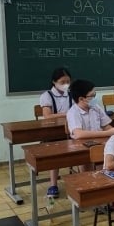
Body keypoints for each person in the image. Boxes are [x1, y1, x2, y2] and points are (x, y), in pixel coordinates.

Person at [67, 79, 114, 176]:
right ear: (81, 99)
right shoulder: (73, 112)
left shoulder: (96, 107)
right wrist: (107, 133)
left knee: (110, 154)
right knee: (87, 164)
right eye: (92, 96)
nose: (95, 98)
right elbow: (78, 134)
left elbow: (106, 125)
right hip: (81, 146)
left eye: (95, 94)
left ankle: (104, 178)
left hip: (98, 142)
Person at [39, 67, 72, 198]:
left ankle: (82, 182)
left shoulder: (71, 94)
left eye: (68, 81)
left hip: (70, 131)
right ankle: (53, 185)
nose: (66, 84)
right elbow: (47, 116)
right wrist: (67, 114)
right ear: (54, 82)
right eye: (62, 81)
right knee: (56, 153)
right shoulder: (47, 95)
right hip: (53, 133)